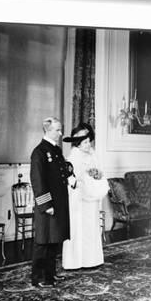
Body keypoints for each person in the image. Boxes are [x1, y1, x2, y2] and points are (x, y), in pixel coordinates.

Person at [29, 117, 76, 288]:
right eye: (57, 130)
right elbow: (38, 181)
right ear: (48, 130)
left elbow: (63, 172)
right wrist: (46, 205)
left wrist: (72, 178)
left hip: (59, 204)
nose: (61, 133)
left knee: (54, 241)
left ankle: (50, 275)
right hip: (48, 206)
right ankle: (39, 278)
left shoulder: (56, 151)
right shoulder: (39, 152)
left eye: (60, 129)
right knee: (43, 242)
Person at [62, 123, 109, 269]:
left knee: (91, 228)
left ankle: (91, 260)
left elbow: (98, 171)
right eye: (85, 142)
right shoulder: (73, 156)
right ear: (78, 143)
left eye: (89, 141)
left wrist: (97, 176)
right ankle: (76, 262)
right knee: (78, 229)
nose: (89, 145)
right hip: (78, 199)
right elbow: (71, 179)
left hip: (91, 198)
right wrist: (82, 181)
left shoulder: (92, 154)